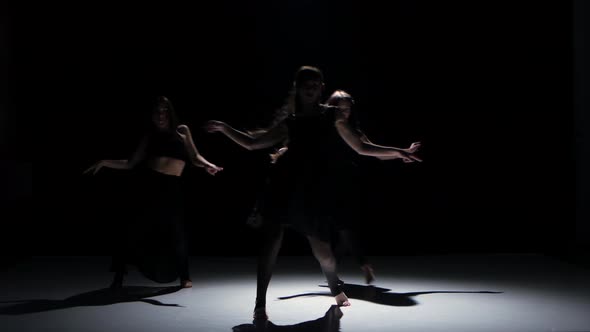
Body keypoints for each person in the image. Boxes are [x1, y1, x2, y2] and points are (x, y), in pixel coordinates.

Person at [205, 66, 421, 320]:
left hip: (311, 191)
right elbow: (253, 143)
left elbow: (361, 147)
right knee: (270, 244)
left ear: (322, 88)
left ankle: (334, 286)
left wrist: (398, 151)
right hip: (283, 186)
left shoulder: (332, 116)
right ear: (297, 88)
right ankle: (260, 304)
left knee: (323, 252)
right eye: (306, 84)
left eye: (316, 84)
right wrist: (224, 128)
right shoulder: (291, 121)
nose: (311, 88)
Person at [85, 96, 223, 289]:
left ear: (170, 112)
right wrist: (104, 162)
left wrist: (208, 165)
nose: (160, 115)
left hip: (172, 186)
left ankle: (184, 275)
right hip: (151, 185)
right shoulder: (149, 135)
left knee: (178, 232)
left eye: (164, 111)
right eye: (157, 111)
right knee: (133, 228)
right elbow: (132, 163)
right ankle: (119, 275)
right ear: (151, 115)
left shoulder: (181, 130)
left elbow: (194, 156)